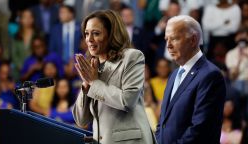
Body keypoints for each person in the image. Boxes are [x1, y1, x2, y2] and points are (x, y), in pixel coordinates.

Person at [72, 10, 155, 144]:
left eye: (96, 33)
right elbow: (81, 121)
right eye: (87, 34)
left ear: (111, 34)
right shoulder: (93, 65)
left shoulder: (132, 57)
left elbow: (127, 101)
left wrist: (94, 82)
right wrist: (86, 86)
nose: (89, 39)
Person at [155, 15, 226, 144]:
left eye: (174, 38)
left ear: (193, 40)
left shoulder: (210, 75)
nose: (168, 45)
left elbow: (200, 128)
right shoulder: (174, 74)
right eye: (166, 39)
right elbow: (163, 122)